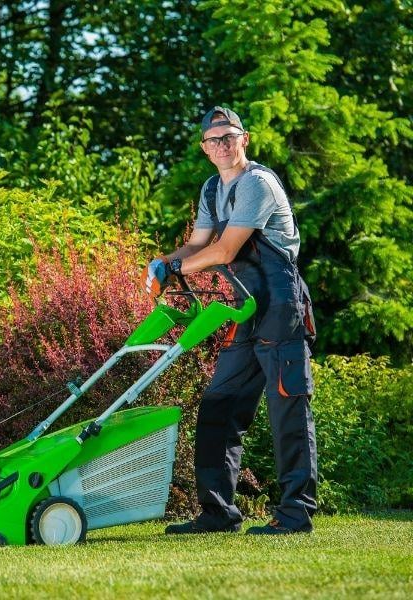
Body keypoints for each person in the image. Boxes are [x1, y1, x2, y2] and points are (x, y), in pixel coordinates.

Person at [148, 106, 318, 535]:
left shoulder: (257, 183)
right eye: (213, 139)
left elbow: (224, 252)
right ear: (205, 149)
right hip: (246, 308)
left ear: (244, 140)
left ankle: (295, 514)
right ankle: (218, 512)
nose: (222, 145)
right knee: (219, 406)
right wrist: (162, 265)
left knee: (288, 408)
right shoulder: (211, 190)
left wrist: (178, 271)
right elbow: (198, 244)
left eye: (229, 137)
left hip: (281, 308)